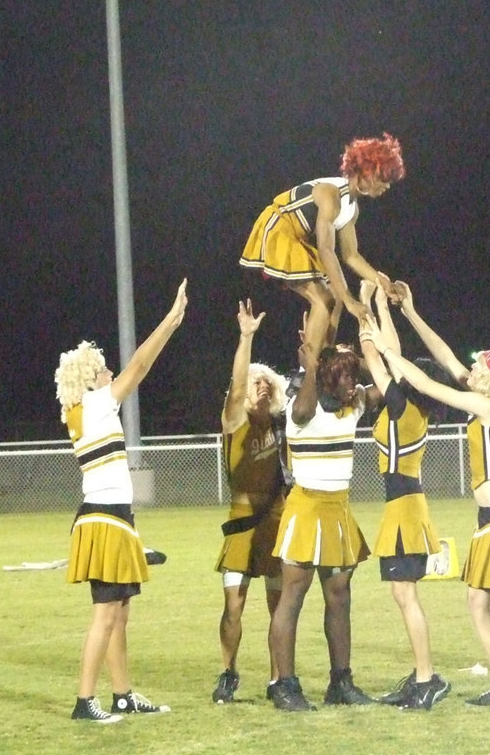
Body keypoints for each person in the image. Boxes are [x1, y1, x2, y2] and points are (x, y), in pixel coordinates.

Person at [361, 283, 490, 710]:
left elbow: (423, 380)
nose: (471, 367)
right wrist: (411, 313)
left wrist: (385, 348)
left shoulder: (488, 408)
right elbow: (443, 357)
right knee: (478, 603)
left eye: (481, 366)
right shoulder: (485, 401)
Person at [55, 278, 187, 723]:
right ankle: (84, 701)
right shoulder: (95, 405)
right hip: (105, 519)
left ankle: (123, 694)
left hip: (112, 518)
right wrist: (170, 319)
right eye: (102, 366)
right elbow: (142, 363)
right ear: (89, 376)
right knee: (105, 614)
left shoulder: (82, 410)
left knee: (119, 613)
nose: (110, 370)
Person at [265, 317, 378, 712]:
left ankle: (340, 682)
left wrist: (362, 348)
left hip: (339, 508)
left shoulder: (354, 407)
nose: (353, 383)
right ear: (327, 378)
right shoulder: (304, 406)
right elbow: (301, 412)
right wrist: (313, 364)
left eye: (353, 377)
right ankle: (285, 685)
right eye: (345, 377)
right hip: (307, 507)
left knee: (340, 595)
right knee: (292, 597)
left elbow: (387, 385)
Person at [356, 281, 452, 711]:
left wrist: (362, 310)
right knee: (404, 594)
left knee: (405, 595)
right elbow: (392, 359)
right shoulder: (410, 407)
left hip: (405, 509)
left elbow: (379, 360)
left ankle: (427, 679)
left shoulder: (400, 406)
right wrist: (381, 304)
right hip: (406, 505)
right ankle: (423, 675)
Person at [240, 133, 406, 351]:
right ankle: (308, 367)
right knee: (325, 299)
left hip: (296, 238)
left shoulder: (351, 208)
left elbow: (351, 256)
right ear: (366, 172)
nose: (387, 186)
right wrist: (350, 302)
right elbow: (326, 250)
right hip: (278, 230)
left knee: (336, 296)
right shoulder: (331, 194)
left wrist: (382, 283)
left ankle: (324, 354)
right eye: (384, 178)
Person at [211, 300, 290, 704]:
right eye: (255, 383)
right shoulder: (235, 421)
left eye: (267, 384)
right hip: (242, 520)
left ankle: (279, 679)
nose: (261, 388)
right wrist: (246, 338)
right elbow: (237, 386)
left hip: (275, 520)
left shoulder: (281, 424)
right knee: (233, 605)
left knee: (279, 606)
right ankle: (228, 672)